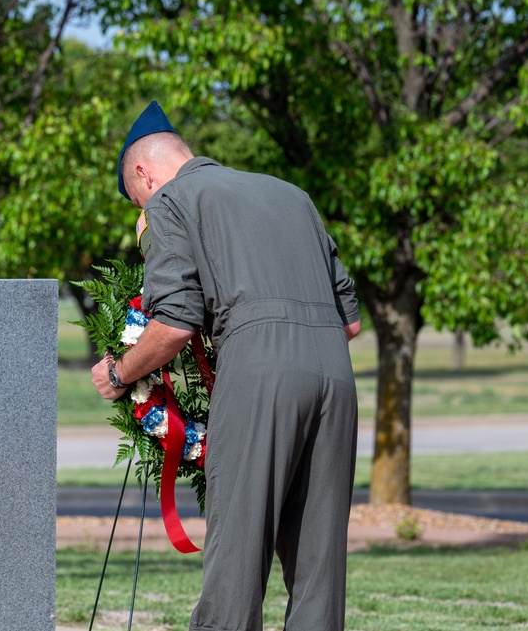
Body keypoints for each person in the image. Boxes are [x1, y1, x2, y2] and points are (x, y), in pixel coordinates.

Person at [91, 101, 362, 631]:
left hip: (261, 373)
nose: (141, 210)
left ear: (144, 174)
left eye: (135, 199)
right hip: (335, 375)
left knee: (238, 554)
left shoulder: (171, 201)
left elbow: (174, 324)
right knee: (318, 565)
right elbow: (350, 321)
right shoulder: (292, 195)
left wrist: (120, 373)